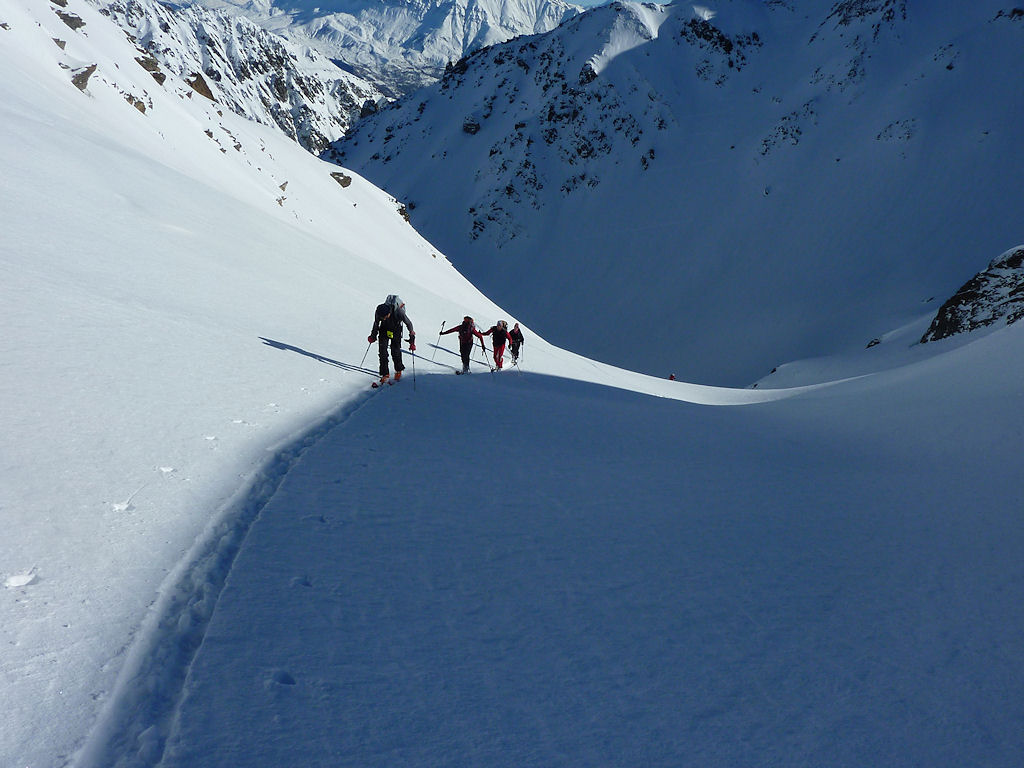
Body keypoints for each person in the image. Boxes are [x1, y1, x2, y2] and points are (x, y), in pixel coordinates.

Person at [368, 294, 415, 384]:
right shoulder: (379, 313)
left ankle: (398, 370)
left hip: (396, 329)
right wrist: (373, 336)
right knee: (382, 352)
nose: (383, 318)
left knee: (395, 351)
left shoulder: (399, 312)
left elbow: (409, 324)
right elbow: (376, 324)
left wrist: (412, 339)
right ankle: (385, 373)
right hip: (384, 329)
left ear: (389, 313)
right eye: (382, 318)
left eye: (385, 317)